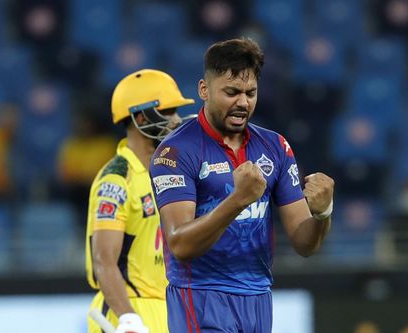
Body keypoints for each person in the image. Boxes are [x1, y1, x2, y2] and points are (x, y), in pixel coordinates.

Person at [149, 38, 335, 332]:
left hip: (258, 297)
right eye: (232, 92)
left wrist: (323, 214)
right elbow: (180, 244)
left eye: (250, 93)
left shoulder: (275, 147)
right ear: (204, 90)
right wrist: (238, 200)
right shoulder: (175, 152)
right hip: (200, 296)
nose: (243, 102)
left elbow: (304, 244)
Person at [85, 69, 195, 333]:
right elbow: (103, 260)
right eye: (169, 111)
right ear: (142, 117)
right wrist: (128, 318)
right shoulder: (116, 179)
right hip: (126, 309)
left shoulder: (171, 172)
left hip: (167, 309)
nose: (176, 120)